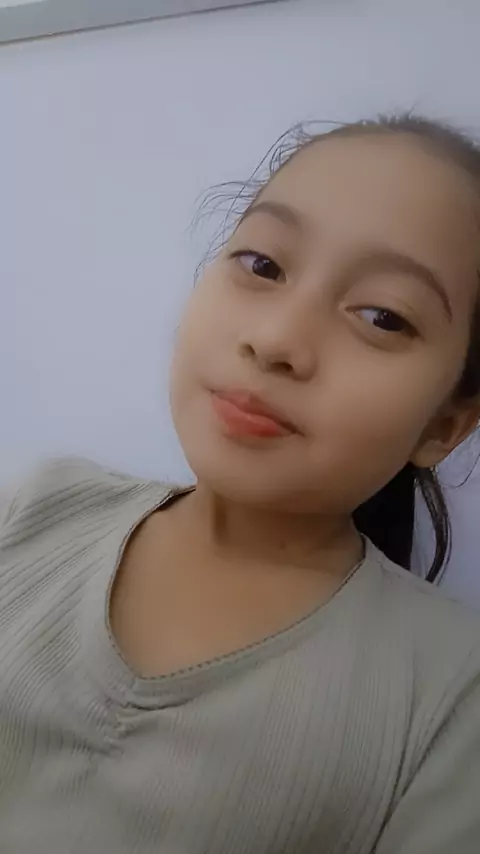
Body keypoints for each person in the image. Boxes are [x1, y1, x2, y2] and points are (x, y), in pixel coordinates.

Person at [1, 114, 480, 854]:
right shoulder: (35, 508)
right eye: (263, 265)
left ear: (444, 426)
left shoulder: (451, 694)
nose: (276, 340)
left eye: (383, 316)